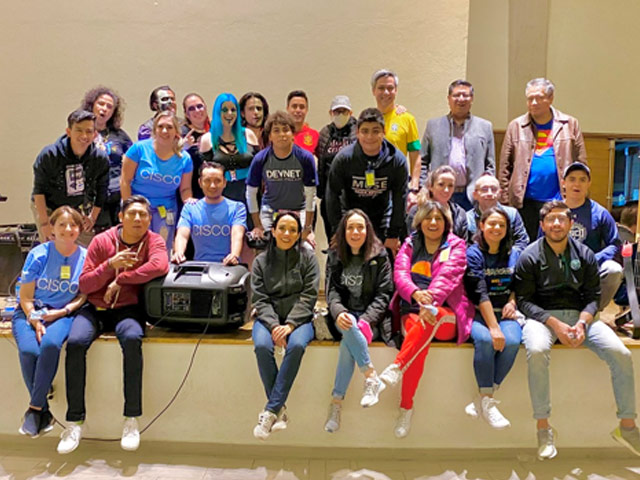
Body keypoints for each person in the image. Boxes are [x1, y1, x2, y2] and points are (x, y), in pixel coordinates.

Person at [514, 200, 640, 460]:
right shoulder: (529, 256)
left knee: (622, 354)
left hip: (582, 318)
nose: (557, 223)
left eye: (562, 219)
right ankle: (544, 428)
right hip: (542, 319)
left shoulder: (584, 255)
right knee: (536, 351)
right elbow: (524, 301)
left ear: (571, 224)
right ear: (542, 225)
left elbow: (593, 296)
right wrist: (556, 325)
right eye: (551, 220)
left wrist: (582, 323)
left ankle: (626, 426)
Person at [57, 195, 169, 455]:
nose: (138, 219)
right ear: (121, 217)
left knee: (132, 340)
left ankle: (131, 419)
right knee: (74, 343)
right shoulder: (102, 240)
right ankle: (75, 421)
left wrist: (122, 279)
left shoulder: (154, 240)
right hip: (94, 309)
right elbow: (84, 284)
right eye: (132, 214)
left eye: (143, 214)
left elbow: (159, 265)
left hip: (127, 309)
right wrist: (110, 266)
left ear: (150, 219)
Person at [379, 201, 474, 438]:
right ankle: (406, 407)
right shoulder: (410, 244)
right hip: (413, 310)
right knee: (418, 347)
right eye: (428, 218)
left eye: (438, 219)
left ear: (446, 223)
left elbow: (448, 276)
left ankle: (397, 367)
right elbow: (399, 274)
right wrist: (414, 293)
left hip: (447, 314)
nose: (433, 223)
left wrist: (429, 302)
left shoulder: (457, 245)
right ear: (419, 222)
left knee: (433, 318)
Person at [12, 207, 87, 437]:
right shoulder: (39, 254)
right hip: (31, 312)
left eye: (73, 224)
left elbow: (84, 294)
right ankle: (43, 409)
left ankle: (35, 410)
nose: (67, 229)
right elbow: (25, 297)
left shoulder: (85, 256)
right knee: (28, 352)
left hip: (62, 313)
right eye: (62, 224)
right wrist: (36, 321)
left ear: (79, 229)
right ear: (52, 229)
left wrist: (63, 311)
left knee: (51, 345)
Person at [251, 212, 320, 440]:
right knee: (261, 346)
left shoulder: (308, 258)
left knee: (297, 346)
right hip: (268, 318)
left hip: (299, 319)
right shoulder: (261, 261)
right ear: (273, 231)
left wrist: (290, 325)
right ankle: (278, 410)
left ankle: (271, 410)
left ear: (299, 234)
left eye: (293, 230)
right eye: (282, 228)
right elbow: (259, 298)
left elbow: (309, 295)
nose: (287, 234)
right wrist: (273, 326)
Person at [323, 209, 393, 433]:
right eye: (350, 227)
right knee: (348, 328)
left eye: (360, 227)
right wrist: (339, 311)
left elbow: (384, 295)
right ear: (344, 231)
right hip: (342, 316)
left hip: (371, 319)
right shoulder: (334, 255)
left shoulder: (380, 256)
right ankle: (371, 376)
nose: (355, 232)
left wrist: (365, 320)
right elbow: (331, 292)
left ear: (367, 230)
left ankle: (336, 403)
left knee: (348, 342)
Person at [498, 78, 587, 240]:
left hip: (559, 200)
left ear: (551, 99)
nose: (534, 102)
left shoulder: (569, 124)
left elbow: (581, 164)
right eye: (530, 99)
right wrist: (505, 203)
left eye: (539, 98)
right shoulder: (516, 126)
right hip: (524, 203)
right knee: (527, 247)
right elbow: (504, 168)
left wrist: (577, 196)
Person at [464, 207, 522, 429]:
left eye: (502, 225)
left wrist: (512, 302)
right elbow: (479, 292)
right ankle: (487, 400)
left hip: (506, 312)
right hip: (479, 312)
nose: (496, 228)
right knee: (487, 341)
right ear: (481, 226)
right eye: (492, 224)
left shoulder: (514, 253)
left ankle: (485, 398)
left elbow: (519, 285)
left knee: (514, 342)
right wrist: (494, 327)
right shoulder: (474, 253)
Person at [326, 108, 408, 257]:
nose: (370, 137)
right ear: (357, 132)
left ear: (384, 132)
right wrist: (338, 230)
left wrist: (393, 234)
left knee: (383, 262)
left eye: (375, 131)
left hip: (382, 216)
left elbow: (400, 198)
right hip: (351, 216)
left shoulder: (397, 160)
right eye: (365, 131)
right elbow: (332, 195)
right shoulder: (343, 159)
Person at [32, 109, 109, 246]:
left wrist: (92, 217)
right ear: (69, 132)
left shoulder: (99, 158)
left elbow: (102, 190)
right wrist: (45, 223)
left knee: (83, 249)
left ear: (95, 134)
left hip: (77, 207)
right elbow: (39, 191)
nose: (84, 136)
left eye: (89, 131)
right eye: (79, 130)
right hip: (48, 206)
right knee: (55, 247)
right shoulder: (49, 155)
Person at [121, 111, 194, 253]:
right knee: (137, 250)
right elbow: (125, 181)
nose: (164, 131)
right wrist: (127, 208)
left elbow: (185, 189)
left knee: (161, 250)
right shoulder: (139, 149)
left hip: (166, 211)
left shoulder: (184, 158)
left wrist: (189, 200)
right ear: (154, 130)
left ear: (176, 132)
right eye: (160, 127)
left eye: (169, 127)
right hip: (139, 208)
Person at [419, 80, 495, 211]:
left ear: (472, 99)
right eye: (456, 95)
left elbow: (490, 164)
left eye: (465, 95)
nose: (461, 99)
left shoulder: (485, 127)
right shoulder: (433, 126)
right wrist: (423, 188)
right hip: (441, 194)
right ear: (448, 99)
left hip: (472, 195)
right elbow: (422, 161)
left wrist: (485, 190)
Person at [246, 111, 317, 246]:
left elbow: (310, 195)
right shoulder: (261, 159)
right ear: (270, 136)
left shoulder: (305, 158)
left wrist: (307, 228)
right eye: (276, 131)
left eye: (286, 130)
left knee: (307, 248)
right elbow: (250, 192)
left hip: (298, 210)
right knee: (264, 249)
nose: (282, 135)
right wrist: (258, 225)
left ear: (292, 134)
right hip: (270, 211)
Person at [561, 162, 623, 309]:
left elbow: (615, 244)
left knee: (614, 270)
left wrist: (593, 259)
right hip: (558, 268)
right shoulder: (553, 210)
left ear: (589, 183)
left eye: (582, 179)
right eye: (572, 179)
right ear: (563, 183)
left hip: (590, 268)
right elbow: (539, 244)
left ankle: (593, 311)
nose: (577, 184)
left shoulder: (600, 213)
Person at [172, 162, 246, 264]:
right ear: (200, 183)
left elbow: (237, 234)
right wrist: (178, 253)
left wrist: (234, 255)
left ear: (224, 182)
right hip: (200, 267)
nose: (212, 186)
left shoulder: (237, 208)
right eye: (207, 181)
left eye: (217, 181)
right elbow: (182, 235)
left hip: (227, 267)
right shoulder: (190, 208)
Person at [81, 87, 133, 231]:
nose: (104, 109)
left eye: (109, 106)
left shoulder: (119, 135)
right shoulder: (81, 133)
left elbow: (133, 160)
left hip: (116, 196)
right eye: (101, 104)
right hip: (93, 197)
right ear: (92, 105)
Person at [370, 69, 421, 205]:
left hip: (397, 186)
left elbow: (415, 154)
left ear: (396, 90)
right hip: (372, 187)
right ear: (373, 91)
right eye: (381, 88)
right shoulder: (369, 119)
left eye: (390, 88)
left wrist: (414, 186)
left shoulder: (407, 119)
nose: (386, 92)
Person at [200, 93, 258, 211]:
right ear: (217, 112)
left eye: (233, 110)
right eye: (225, 110)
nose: (229, 114)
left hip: (248, 193)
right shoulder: (207, 139)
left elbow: (259, 168)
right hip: (220, 194)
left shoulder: (248, 134)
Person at [316, 95, 358, 242]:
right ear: (330, 113)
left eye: (344, 111)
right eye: (337, 112)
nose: (340, 115)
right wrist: (320, 191)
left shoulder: (357, 132)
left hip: (353, 195)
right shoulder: (325, 133)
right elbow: (321, 162)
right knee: (333, 239)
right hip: (330, 195)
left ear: (350, 113)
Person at [466, 173, 529, 252]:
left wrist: (511, 258)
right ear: (475, 195)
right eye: (484, 189)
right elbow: (464, 246)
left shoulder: (512, 214)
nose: (489, 193)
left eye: (494, 189)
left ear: (499, 193)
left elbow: (522, 242)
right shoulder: (467, 218)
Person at [414, 165, 468, 241]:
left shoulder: (460, 213)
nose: (446, 190)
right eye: (441, 184)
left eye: (450, 186)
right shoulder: (417, 211)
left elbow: (463, 243)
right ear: (430, 187)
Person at [181, 93, 211, 199]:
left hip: (215, 186)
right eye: (192, 108)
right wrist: (182, 147)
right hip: (192, 189)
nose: (197, 111)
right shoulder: (181, 133)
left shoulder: (216, 129)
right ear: (186, 114)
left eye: (200, 106)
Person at [286, 90, 319, 155]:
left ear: (306, 110)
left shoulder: (315, 135)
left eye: (302, 107)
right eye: (294, 106)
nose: (298, 110)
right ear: (287, 108)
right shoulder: (281, 134)